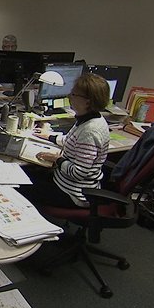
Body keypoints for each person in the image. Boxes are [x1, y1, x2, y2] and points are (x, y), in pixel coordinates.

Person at [18, 73, 111, 208]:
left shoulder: (90, 131)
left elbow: (78, 173)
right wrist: (49, 136)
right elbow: (72, 141)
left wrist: (57, 159)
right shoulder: (88, 118)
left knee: (20, 184)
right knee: (28, 173)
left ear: (88, 101)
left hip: (73, 194)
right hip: (63, 181)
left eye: (73, 94)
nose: (69, 96)